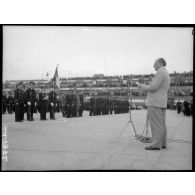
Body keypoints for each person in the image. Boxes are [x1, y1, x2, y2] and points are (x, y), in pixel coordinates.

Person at [137, 58, 171, 150]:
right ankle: (162, 143)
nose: (154, 65)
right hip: (161, 102)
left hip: (155, 102)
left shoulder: (161, 72)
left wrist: (141, 86)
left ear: (160, 63)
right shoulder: (166, 73)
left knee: (156, 124)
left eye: (155, 63)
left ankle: (156, 144)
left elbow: (153, 87)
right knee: (162, 124)